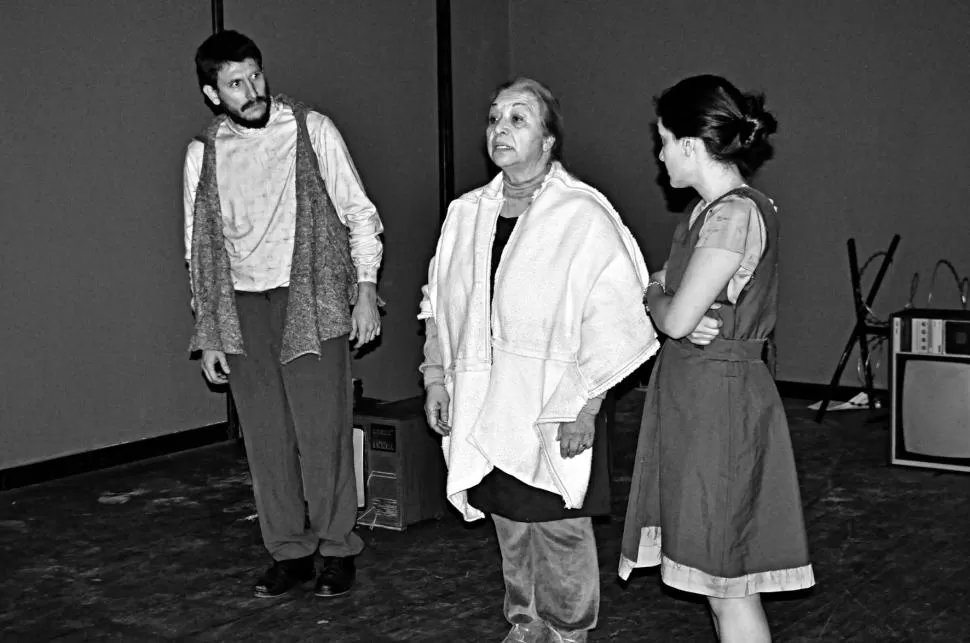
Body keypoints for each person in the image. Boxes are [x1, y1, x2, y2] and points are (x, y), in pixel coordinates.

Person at [419, 77, 659, 643]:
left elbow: (617, 317)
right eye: (493, 118)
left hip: (557, 400)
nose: (500, 129)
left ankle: (568, 629)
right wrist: (436, 378)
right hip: (486, 397)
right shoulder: (466, 214)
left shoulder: (582, 214)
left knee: (557, 525)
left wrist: (585, 406)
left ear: (548, 140)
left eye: (518, 119)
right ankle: (526, 623)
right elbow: (439, 305)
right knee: (509, 521)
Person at [182, 30, 383, 599]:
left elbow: (360, 215)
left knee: (323, 433)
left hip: (311, 297)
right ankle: (289, 551)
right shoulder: (203, 154)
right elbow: (198, 251)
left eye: (255, 75)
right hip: (242, 308)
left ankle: (337, 548)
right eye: (235, 83)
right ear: (212, 93)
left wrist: (366, 291)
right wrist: (209, 331)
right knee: (266, 439)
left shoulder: (312, 130)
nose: (252, 90)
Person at [619, 75, 815, 642]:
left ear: (689, 144)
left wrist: (655, 296)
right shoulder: (708, 213)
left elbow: (675, 317)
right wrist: (665, 296)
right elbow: (675, 299)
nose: (660, 156)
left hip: (720, 406)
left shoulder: (733, 214)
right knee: (715, 581)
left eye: (663, 142)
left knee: (728, 585)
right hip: (699, 398)